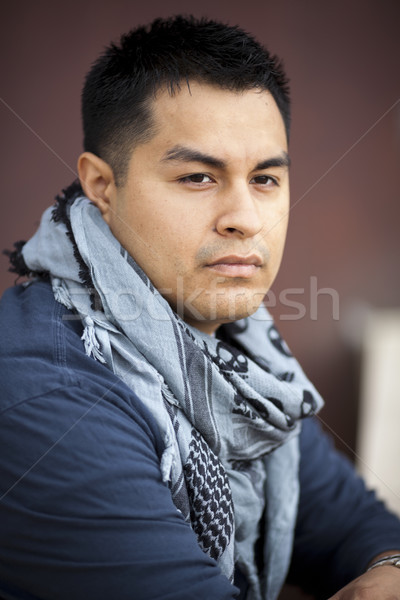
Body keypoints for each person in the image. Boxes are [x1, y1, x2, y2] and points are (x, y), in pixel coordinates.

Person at [0, 15, 399, 600]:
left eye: (265, 178)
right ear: (102, 187)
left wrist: (389, 568)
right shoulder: (51, 390)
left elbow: (353, 523)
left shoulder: (237, 354)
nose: (244, 217)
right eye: (197, 177)